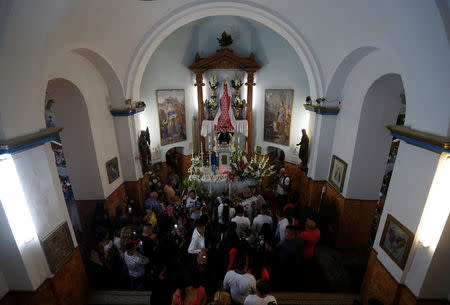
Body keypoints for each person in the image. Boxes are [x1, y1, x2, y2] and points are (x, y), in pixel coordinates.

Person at [277, 225, 304, 290]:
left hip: (285, 265)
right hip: (297, 265)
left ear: (288, 233)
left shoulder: (283, 243)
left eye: (285, 232)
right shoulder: (301, 241)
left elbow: (276, 249)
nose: (284, 233)